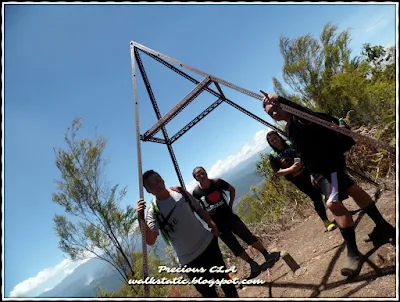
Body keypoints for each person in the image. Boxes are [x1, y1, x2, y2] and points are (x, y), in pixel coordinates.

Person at [261, 91, 395, 277]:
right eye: (270, 113)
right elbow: (303, 152)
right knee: (353, 189)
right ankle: (384, 227)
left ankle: (353, 253)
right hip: (321, 170)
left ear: (283, 107)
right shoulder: (290, 128)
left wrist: (280, 99)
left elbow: (303, 111)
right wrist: (311, 173)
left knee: (332, 204)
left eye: (275, 109)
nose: (274, 114)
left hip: (329, 165)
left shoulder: (301, 119)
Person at [136, 170, 238, 298]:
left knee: (226, 282)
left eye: (158, 178)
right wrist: (140, 219)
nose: (157, 183)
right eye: (151, 184)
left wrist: (212, 225)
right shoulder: (153, 211)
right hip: (189, 260)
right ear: (148, 191)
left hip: (207, 244)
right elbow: (150, 240)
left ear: (162, 178)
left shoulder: (179, 191)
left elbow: (198, 208)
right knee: (208, 294)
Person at [191, 166, 280, 279]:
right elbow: (197, 209)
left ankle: (267, 255)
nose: (202, 175)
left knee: (248, 237)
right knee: (235, 247)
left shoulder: (217, 182)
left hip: (230, 217)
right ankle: (253, 265)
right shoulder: (196, 193)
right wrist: (208, 221)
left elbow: (232, 189)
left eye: (202, 172)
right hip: (218, 225)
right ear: (196, 178)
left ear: (206, 172)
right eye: (198, 175)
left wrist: (230, 205)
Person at [266, 130, 337, 232]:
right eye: (271, 141)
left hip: (310, 172)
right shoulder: (273, 155)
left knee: (328, 192)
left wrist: (311, 173)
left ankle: (340, 212)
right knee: (316, 197)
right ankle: (326, 221)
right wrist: (291, 169)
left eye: (275, 138)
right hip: (299, 181)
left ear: (279, 137)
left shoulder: (290, 144)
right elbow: (277, 172)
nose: (274, 141)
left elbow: (304, 155)